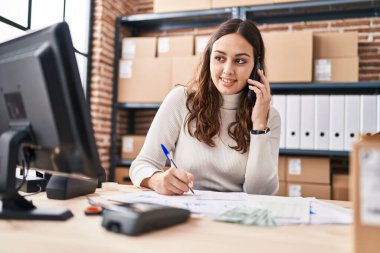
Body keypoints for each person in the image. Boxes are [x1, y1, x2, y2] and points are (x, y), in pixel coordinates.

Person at [129, 18, 281, 196]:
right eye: (219, 58)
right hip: (186, 210)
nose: (227, 70)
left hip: (236, 217)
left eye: (240, 61)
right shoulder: (181, 100)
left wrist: (259, 126)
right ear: (209, 59)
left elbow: (261, 193)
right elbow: (141, 165)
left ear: (256, 66)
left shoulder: (270, 117)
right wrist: (157, 180)